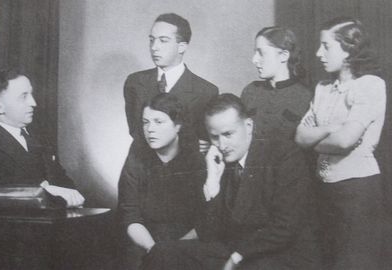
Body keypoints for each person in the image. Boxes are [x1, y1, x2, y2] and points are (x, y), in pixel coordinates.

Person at [141, 94, 321, 270]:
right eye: (215, 137)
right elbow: (209, 233)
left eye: (228, 134)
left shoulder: (284, 155)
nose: (222, 144)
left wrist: (237, 257)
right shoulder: (220, 161)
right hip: (236, 249)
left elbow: (284, 227)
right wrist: (212, 183)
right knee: (161, 253)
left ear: (248, 125)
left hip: (283, 256)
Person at [295, 17, 386, 270]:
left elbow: (345, 141)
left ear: (349, 50)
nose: (318, 53)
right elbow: (299, 135)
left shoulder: (370, 85)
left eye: (326, 46)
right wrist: (330, 130)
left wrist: (315, 140)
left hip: (358, 194)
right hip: (323, 191)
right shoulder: (323, 88)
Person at [117, 93, 205, 270]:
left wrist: (170, 252)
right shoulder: (137, 156)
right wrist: (155, 250)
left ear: (178, 125)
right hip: (144, 243)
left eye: (158, 122)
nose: (150, 129)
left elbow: (206, 222)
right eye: (145, 122)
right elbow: (130, 215)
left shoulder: (197, 160)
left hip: (188, 245)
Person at [124, 13, 218, 151]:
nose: (154, 47)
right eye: (152, 40)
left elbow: (204, 143)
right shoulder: (134, 83)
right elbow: (136, 133)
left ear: (182, 47)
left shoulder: (206, 92)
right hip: (142, 169)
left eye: (163, 40)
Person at [0, 68, 85, 208]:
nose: (33, 102)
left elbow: (66, 185)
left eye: (31, 94)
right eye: (23, 96)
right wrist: (44, 190)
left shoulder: (40, 138)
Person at [241, 26, 311, 141]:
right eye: (255, 53)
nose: (254, 60)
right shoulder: (250, 91)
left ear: (283, 55)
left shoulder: (306, 96)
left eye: (261, 53)